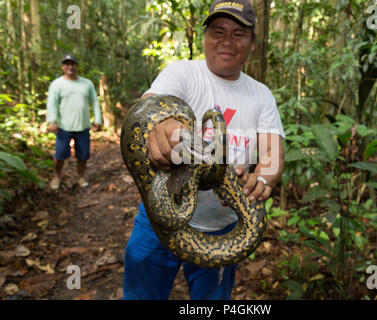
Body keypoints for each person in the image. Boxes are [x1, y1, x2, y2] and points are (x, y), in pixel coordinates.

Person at [123, 0, 285, 300]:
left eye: (238, 34)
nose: (226, 40)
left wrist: (263, 178)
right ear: (205, 37)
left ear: (253, 42)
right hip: (157, 216)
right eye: (218, 31)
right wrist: (164, 130)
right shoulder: (182, 73)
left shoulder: (261, 95)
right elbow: (151, 107)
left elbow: (272, 151)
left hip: (223, 226)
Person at [46, 54, 102, 190]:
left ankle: (81, 177)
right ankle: (56, 176)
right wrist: (52, 121)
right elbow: (52, 103)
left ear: (77, 66)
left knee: (83, 155)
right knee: (59, 155)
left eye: (73, 64)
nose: (70, 67)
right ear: (63, 67)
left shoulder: (87, 83)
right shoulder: (57, 84)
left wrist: (98, 120)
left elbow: (94, 102)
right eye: (67, 64)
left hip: (83, 126)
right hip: (63, 127)